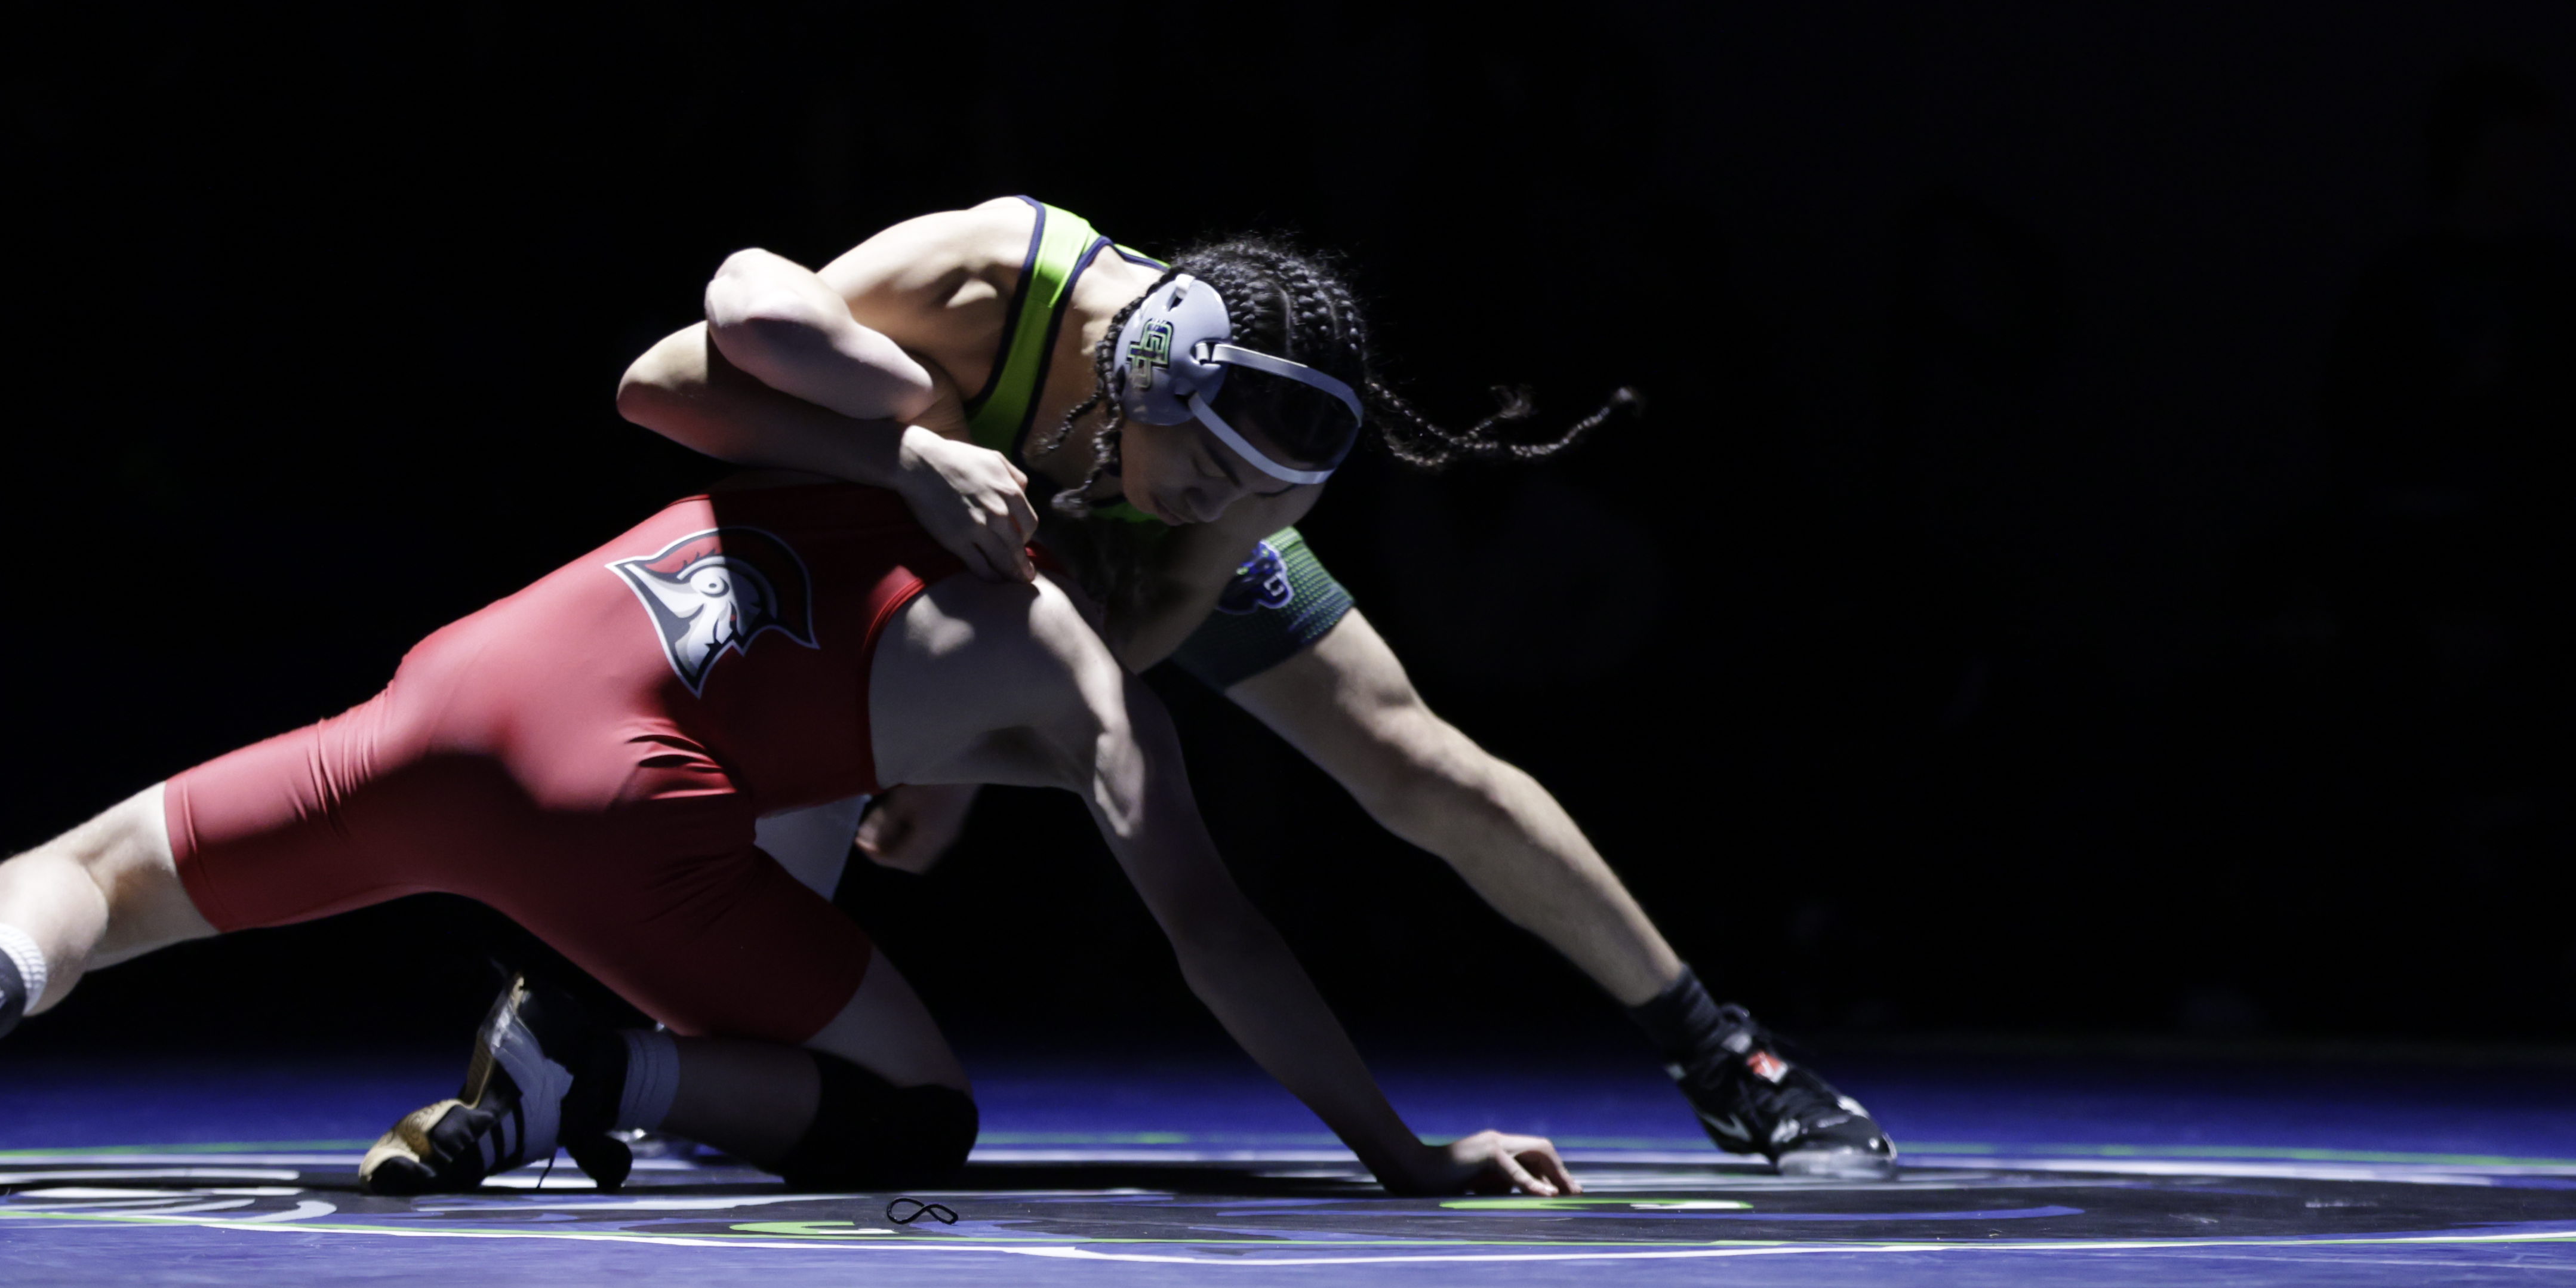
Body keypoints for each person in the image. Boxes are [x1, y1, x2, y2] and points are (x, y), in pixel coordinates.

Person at [0, 472, 1575, 1201]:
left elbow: (736, 337)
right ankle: (605, 1063)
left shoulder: (863, 449)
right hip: (621, 811)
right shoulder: (1086, 663)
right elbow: (1215, 932)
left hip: (459, 688)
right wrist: (1399, 1154)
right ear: (1159, 573)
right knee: (915, 1116)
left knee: (108, 868)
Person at [610, 194, 1895, 1175]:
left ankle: (1722, 1046)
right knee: (819, 708)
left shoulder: (1231, 490)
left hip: (1060, 569)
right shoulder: (986, 279)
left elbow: (1129, 649)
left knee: (1415, 757)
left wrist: (961, 745)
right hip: (886, 511)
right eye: (1213, 468)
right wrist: (904, 454)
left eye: (1263, 492)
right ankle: (713, 1042)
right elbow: (667, 383)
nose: (1224, 503)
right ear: (1147, 372)